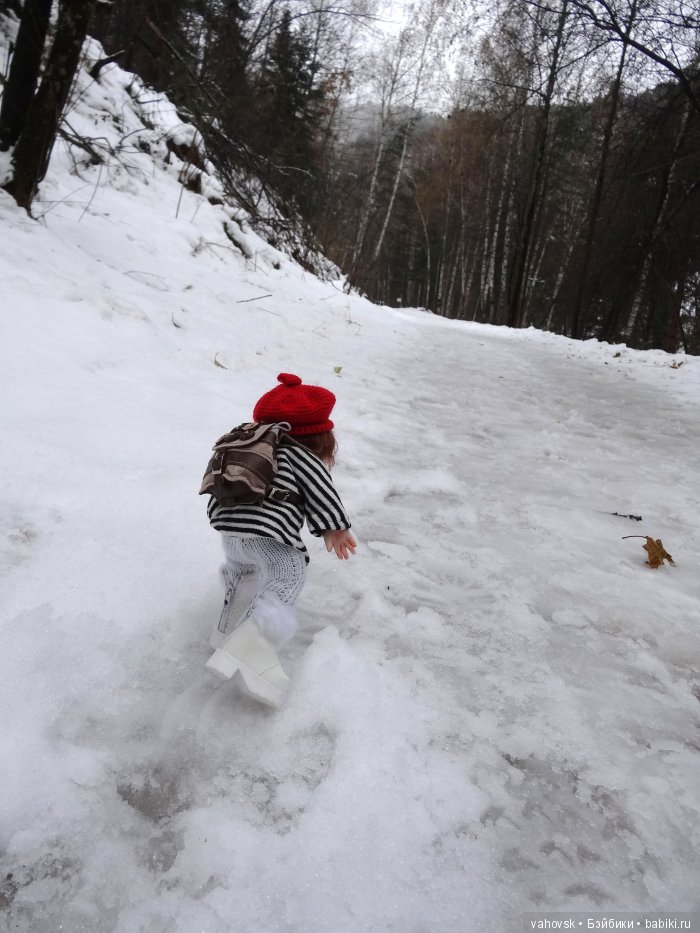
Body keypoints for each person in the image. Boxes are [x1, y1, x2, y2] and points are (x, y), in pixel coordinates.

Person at [205, 372, 357, 707]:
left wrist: (230, 519)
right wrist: (334, 526)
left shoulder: (239, 442)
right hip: (269, 535)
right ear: (319, 439)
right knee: (287, 575)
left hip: (230, 531)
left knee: (245, 574)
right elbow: (320, 488)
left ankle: (227, 632)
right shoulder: (296, 453)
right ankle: (252, 651)